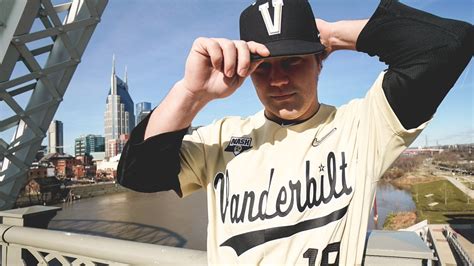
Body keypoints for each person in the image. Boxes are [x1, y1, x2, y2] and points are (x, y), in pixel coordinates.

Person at [117, 0, 472, 264]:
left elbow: (449, 44)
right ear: (247, 72)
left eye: (294, 60)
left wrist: (331, 34)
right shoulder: (223, 137)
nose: (279, 80)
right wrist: (191, 93)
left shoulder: (364, 125)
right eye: (263, 67)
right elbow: (138, 175)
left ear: (320, 60)